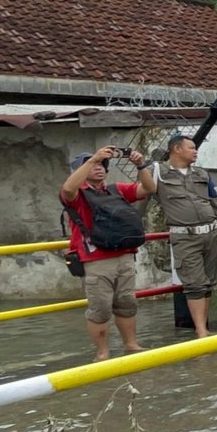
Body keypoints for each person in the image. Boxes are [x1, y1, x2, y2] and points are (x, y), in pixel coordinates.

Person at [61, 146, 152, 361]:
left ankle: (131, 344)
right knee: (100, 308)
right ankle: (102, 353)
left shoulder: (115, 190)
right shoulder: (77, 194)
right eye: (94, 166)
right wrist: (93, 158)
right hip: (95, 259)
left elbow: (148, 189)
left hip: (123, 255)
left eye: (102, 165)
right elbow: (67, 189)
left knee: (126, 302)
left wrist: (141, 165)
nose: (99, 168)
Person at [146, 134, 217, 337]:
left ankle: (204, 327)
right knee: (195, 284)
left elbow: (216, 204)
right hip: (185, 236)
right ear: (177, 149)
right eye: (191, 148)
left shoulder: (201, 173)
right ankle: (201, 331)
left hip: (210, 234)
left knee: (208, 282)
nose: (195, 151)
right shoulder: (157, 172)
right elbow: (141, 199)